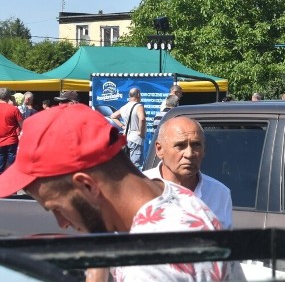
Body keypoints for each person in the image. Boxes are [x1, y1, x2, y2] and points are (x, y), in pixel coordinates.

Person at [0, 103, 243, 281]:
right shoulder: (179, 197)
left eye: (56, 208)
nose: (62, 223)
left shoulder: (146, 261)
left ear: (87, 185)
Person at [144, 116, 233, 229]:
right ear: (160, 149)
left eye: (196, 145)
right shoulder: (137, 188)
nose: (189, 154)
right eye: (180, 146)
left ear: (204, 150)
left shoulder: (220, 194)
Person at [111, 87, 146, 170]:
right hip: (136, 138)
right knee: (136, 166)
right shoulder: (138, 106)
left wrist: (123, 126)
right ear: (138, 95)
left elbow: (113, 116)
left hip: (126, 137)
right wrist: (141, 132)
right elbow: (142, 118)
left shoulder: (124, 107)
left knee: (126, 165)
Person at [0, 88, 22, 173]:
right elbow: (22, 125)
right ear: (9, 97)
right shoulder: (14, 109)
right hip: (11, 141)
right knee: (12, 168)